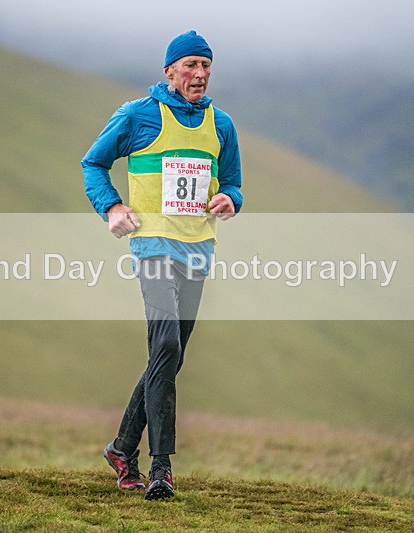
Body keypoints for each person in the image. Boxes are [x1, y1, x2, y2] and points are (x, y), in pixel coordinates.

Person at [82, 29, 243, 501]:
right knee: (167, 343)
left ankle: (120, 448)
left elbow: (233, 182)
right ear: (169, 71)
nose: (200, 73)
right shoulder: (138, 115)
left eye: (206, 65)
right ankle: (161, 468)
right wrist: (112, 207)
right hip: (153, 246)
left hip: (198, 249)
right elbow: (93, 163)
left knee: (168, 355)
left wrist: (229, 199)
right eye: (190, 65)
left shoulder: (222, 124)